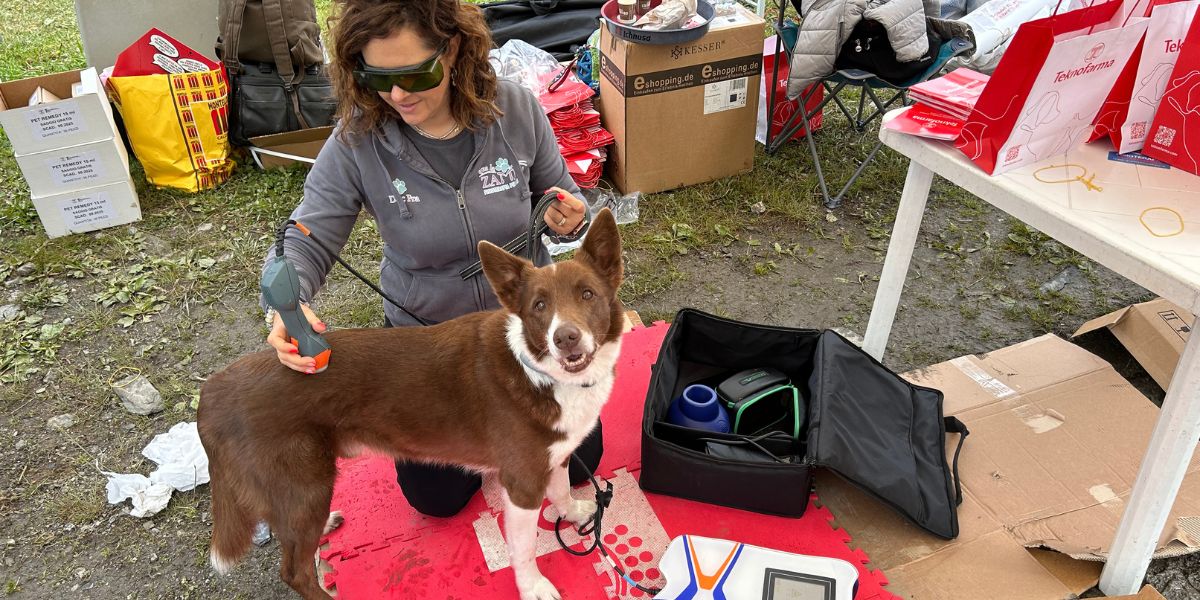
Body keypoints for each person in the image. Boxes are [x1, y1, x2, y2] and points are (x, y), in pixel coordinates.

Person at [260, 0, 602, 518]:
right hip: (429, 345)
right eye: (378, 76)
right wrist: (288, 301)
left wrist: (568, 213)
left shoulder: (516, 110)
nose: (397, 94)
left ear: (454, 50)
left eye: (416, 74)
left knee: (580, 461)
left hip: (526, 331)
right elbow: (305, 236)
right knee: (435, 499)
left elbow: (558, 194)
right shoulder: (358, 141)